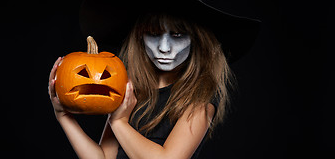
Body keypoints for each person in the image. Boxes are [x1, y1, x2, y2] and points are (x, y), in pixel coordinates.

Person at [48, 12, 233, 159]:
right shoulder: (129, 88)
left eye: (177, 34)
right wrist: (64, 116)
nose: (164, 48)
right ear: (140, 37)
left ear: (197, 39)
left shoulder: (201, 96)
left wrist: (119, 122)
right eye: (153, 34)